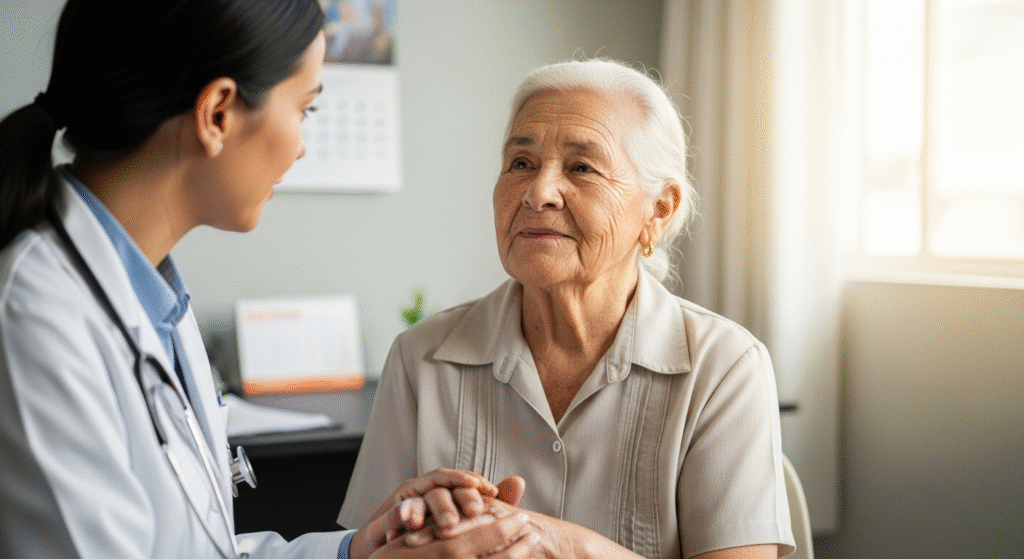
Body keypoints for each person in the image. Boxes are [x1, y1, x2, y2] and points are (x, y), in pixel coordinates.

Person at [0, 1, 538, 558]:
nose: (302, 144)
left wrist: (359, 551)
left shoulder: (155, 302)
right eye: (304, 108)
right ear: (218, 115)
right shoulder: (36, 320)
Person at [338, 59, 797, 559]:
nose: (538, 192)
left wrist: (564, 544)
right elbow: (368, 550)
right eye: (521, 164)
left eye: (581, 167)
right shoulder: (420, 357)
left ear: (658, 210)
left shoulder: (724, 366)